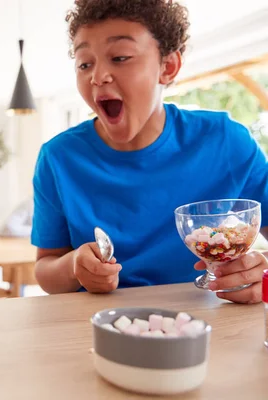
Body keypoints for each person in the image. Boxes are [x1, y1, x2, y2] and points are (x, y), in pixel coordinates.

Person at [31, 0, 268, 304]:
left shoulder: (226, 142)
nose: (97, 76)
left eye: (120, 57)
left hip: (208, 323)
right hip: (95, 329)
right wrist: (74, 266)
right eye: (84, 63)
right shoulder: (58, 158)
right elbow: (44, 269)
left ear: (167, 67)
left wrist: (258, 272)